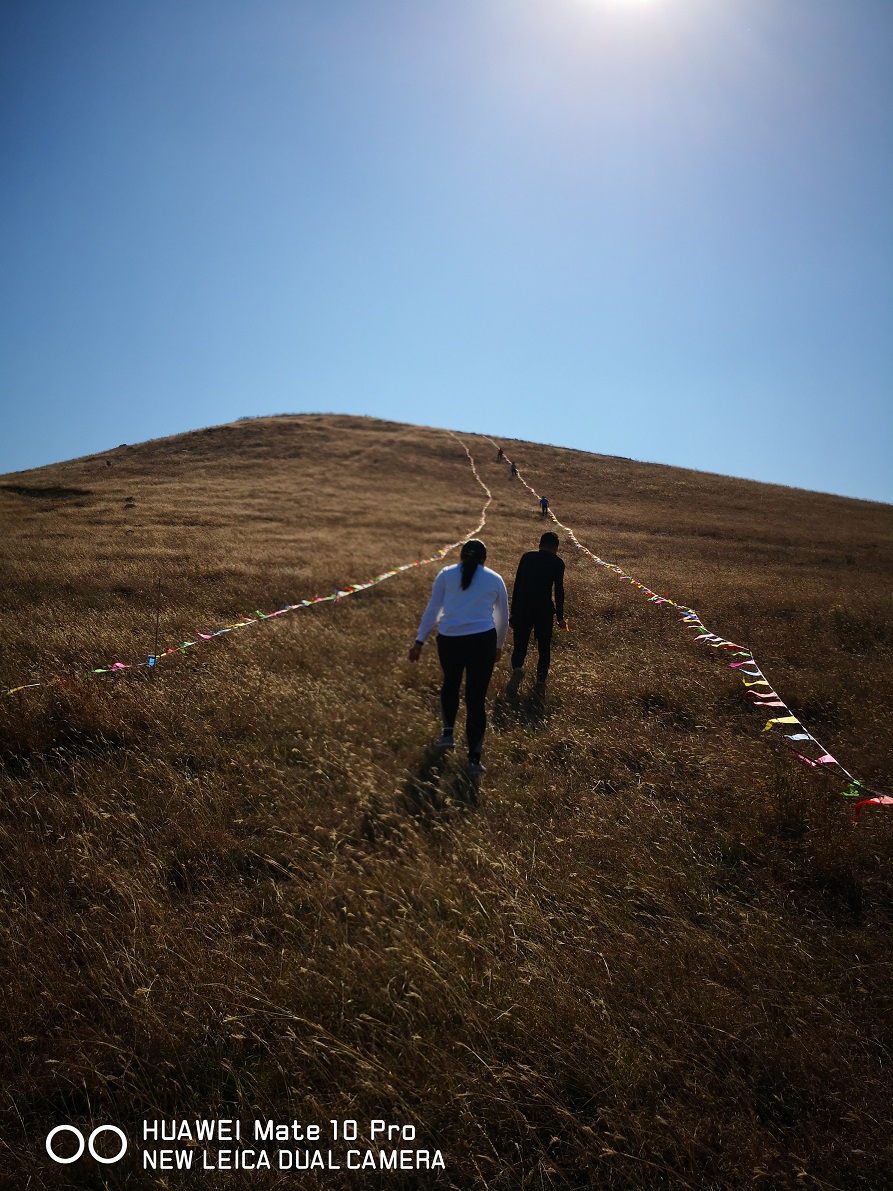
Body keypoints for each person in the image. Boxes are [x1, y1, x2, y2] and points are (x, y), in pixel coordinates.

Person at [408, 540, 508, 775]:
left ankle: (447, 735)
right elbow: (502, 617)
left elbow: (433, 610)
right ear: (484, 559)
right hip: (482, 642)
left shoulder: (446, 574)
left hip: (449, 640)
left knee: (450, 684)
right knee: (476, 698)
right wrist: (499, 645)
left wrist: (419, 641)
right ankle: (474, 760)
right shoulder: (495, 579)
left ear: (461, 556)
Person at [506, 531, 566, 696]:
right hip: (543, 610)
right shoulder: (557, 562)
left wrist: (513, 613)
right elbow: (559, 590)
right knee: (544, 648)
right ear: (556, 548)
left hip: (522, 607)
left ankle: (517, 669)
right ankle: (540, 682)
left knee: (520, 646)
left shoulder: (527, 557)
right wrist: (560, 617)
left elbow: (517, 585)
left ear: (539, 545)